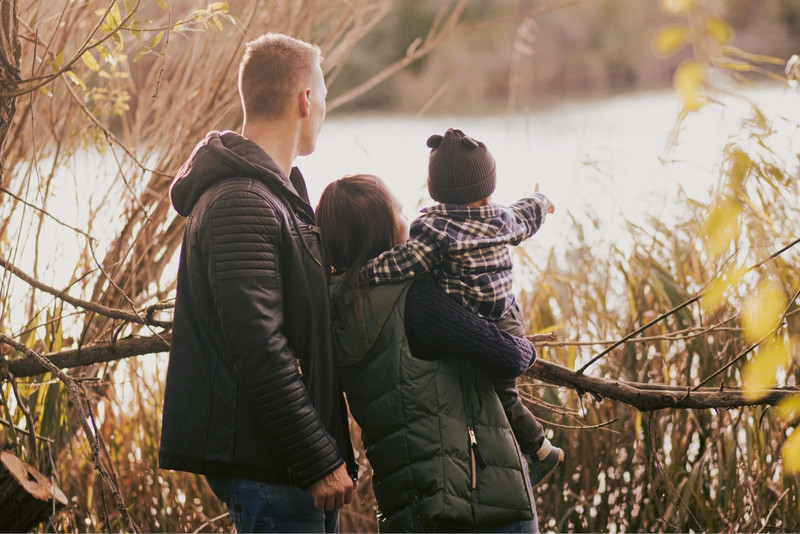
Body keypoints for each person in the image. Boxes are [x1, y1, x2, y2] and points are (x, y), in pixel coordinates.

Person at [158, 33, 356, 533]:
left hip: (284, 465)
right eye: (325, 97)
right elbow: (259, 346)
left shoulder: (276, 194)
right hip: (273, 469)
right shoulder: (242, 200)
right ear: (305, 100)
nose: (325, 110)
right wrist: (317, 458)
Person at [317, 174, 539, 532]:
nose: (410, 222)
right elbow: (509, 357)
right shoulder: (416, 301)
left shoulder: (332, 307)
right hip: (474, 498)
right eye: (400, 213)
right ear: (383, 232)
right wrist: (523, 342)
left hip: (406, 503)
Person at [361, 128, 564, 488]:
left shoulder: (435, 229)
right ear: (488, 188)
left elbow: (404, 262)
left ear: (436, 189)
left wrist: (363, 274)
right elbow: (527, 213)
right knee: (506, 394)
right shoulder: (502, 218)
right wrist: (542, 199)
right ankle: (531, 454)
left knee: (503, 398)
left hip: (476, 324)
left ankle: (542, 452)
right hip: (509, 319)